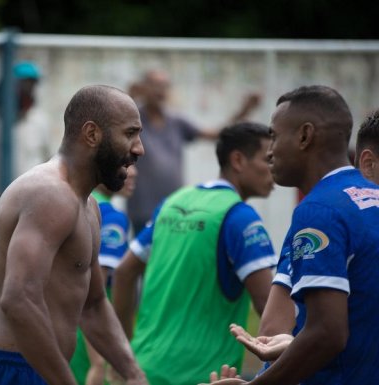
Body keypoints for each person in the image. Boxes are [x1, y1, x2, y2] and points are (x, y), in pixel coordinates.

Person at [206, 85, 379, 385]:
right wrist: (293, 343)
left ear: (304, 136)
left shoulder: (319, 211)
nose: (270, 152)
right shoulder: (370, 197)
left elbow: (327, 333)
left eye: (273, 136)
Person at [0, 85, 147, 385]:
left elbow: (94, 305)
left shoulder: (88, 206)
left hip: (42, 372)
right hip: (13, 371)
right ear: (92, 134)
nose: (139, 148)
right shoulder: (50, 194)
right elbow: (18, 299)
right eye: (130, 133)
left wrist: (133, 373)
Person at [114, 121, 278, 385]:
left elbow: (123, 272)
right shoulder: (241, 218)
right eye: (267, 160)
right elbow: (270, 309)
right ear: (238, 160)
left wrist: (124, 355)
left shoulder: (174, 202)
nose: (274, 169)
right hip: (204, 376)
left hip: (143, 369)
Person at [127, 69, 262, 233]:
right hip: (142, 209)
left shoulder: (176, 120)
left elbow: (217, 134)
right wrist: (130, 96)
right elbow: (118, 117)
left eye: (164, 86)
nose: (160, 90)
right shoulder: (134, 118)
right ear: (144, 88)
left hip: (175, 208)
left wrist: (244, 111)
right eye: (155, 85)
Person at [70, 165, 138, 385]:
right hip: (94, 336)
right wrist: (99, 361)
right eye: (124, 164)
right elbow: (91, 292)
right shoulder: (110, 216)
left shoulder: (76, 204)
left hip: (71, 327)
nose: (133, 172)